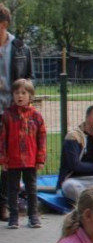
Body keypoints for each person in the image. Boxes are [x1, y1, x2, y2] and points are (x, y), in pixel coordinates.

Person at [0, 2, 33, 223]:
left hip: (12, 113)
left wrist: (22, 94)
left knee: (9, 160)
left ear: (3, 24)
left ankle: (4, 204)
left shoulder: (20, 48)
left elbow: (30, 78)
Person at [0, 78, 45, 229]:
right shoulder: (7, 116)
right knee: (13, 189)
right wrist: (3, 159)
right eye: (17, 93)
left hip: (31, 160)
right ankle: (13, 217)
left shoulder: (36, 116)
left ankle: (33, 215)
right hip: (12, 161)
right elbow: (2, 139)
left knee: (31, 188)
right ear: (12, 95)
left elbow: (42, 138)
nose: (20, 96)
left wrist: (40, 159)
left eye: (24, 93)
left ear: (30, 96)